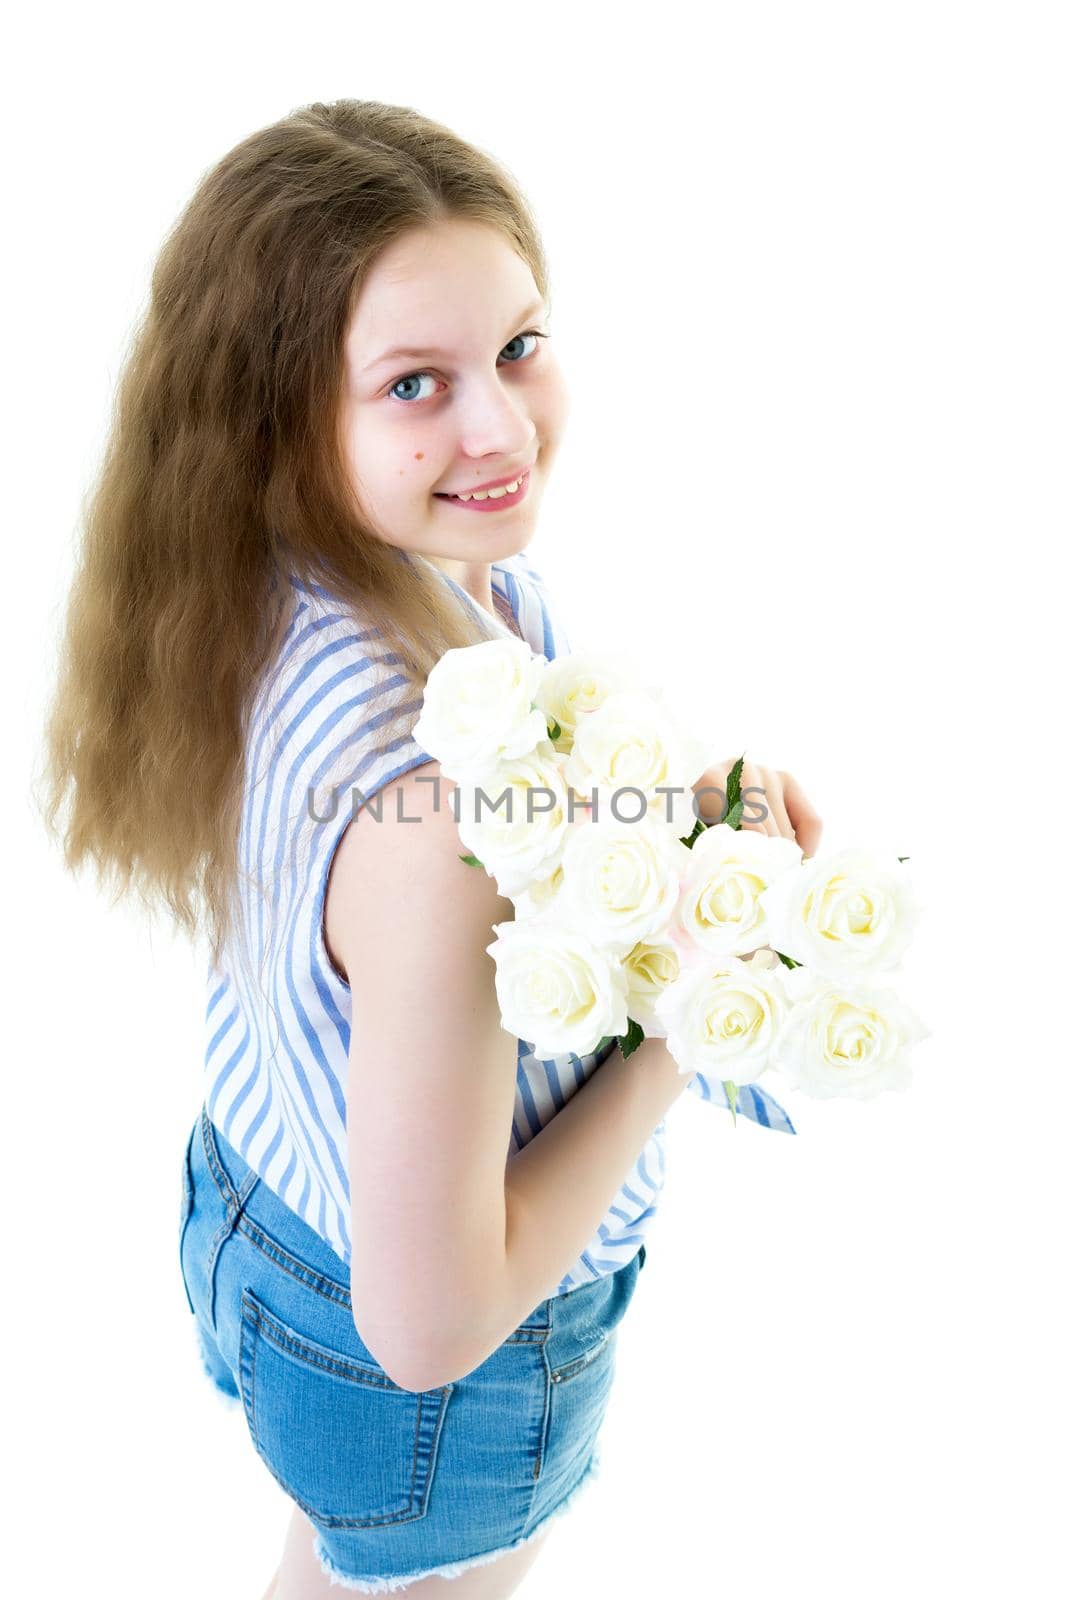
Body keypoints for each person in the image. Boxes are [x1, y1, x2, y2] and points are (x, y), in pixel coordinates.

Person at [37, 99, 821, 1599]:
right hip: (423, 1387)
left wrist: (656, 836)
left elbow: (394, 918)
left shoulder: (276, 581)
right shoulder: (438, 814)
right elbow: (433, 1327)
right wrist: (688, 1017)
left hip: (268, 1222)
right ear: (279, 423)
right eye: (415, 384)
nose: (503, 427)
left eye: (521, 346)